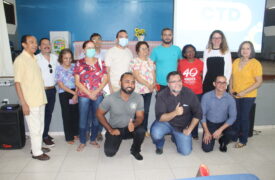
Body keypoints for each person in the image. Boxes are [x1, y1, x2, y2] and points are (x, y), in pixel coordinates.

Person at [14, 35, 50, 160]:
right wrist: (23, 103)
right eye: (31, 42)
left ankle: (37, 146)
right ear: (24, 45)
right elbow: (17, 83)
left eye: (35, 42)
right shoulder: (20, 60)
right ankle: (37, 153)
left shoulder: (34, 58)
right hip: (30, 101)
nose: (35, 44)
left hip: (40, 99)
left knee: (40, 126)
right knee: (35, 128)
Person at [150, 71, 202, 155]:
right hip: (166, 123)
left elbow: (198, 113)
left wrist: (189, 129)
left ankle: (175, 137)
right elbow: (160, 117)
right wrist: (175, 113)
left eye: (179, 80)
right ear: (168, 84)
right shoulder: (161, 95)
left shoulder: (189, 93)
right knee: (155, 132)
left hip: (182, 126)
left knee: (185, 152)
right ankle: (159, 144)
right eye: (173, 82)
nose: (177, 83)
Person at [96, 72, 145, 160]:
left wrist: (134, 124)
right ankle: (113, 138)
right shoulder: (110, 98)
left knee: (141, 130)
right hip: (116, 129)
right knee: (109, 153)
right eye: (127, 81)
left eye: (133, 82)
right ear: (120, 83)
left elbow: (140, 117)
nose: (130, 84)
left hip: (130, 128)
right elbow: (99, 114)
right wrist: (110, 129)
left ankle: (135, 150)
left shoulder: (138, 98)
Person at [74, 40, 108, 151]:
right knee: (83, 119)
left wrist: (96, 91)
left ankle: (93, 139)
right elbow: (77, 82)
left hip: (98, 95)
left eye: (92, 47)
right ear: (83, 50)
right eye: (88, 48)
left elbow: (105, 79)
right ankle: (83, 141)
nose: (91, 50)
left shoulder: (100, 62)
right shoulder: (79, 63)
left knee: (96, 119)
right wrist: (89, 93)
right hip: (83, 95)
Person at [230, 41, 263, 148]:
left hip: (248, 96)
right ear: (240, 50)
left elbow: (259, 82)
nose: (245, 50)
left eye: (248, 48)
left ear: (251, 50)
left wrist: (244, 92)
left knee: (244, 117)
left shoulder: (255, 63)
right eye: (243, 48)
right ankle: (234, 136)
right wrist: (230, 88)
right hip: (235, 95)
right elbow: (232, 77)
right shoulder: (236, 61)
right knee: (235, 116)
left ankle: (243, 140)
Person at [201, 76, 237, 153]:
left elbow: (233, 117)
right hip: (210, 124)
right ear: (214, 84)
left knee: (233, 133)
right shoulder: (206, 96)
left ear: (226, 84)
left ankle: (222, 140)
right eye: (219, 82)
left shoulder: (230, 99)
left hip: (223, 123)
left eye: (224, 82)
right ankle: (214, 136)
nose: (222, 85)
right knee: (207, 149)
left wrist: (220, 130)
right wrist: (207, 132)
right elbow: (202, 115)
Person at [129, 41, 156, 136]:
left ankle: (144, 130)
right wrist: (148, 84)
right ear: (137, 51)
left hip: (149, 91)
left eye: (147, 48)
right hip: (137, 91)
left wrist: (153, 84)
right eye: (143, 48)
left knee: (146, 111)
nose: (145, 50)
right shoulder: (134, 61)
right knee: (136, 111)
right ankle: (135, 130)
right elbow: (136, 76)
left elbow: (153, 74)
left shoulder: (150, 61)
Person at [178, 44, 203, 140]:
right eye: (188, 51)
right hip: (185, 92)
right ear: (184, 53)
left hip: (197, 92)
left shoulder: (200, 63)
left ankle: (194, 133)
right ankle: (183, 131)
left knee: (195, 113)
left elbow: (202, 76)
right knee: (185, 112)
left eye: (192, 50)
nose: (190, 53)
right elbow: (179, 75)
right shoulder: (181, 63)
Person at [37, 38, 59, 147]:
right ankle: (43, 136)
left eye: (48, 44)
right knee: (41, 115)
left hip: (52, 90)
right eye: (44, 44)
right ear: (39, 47)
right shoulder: (35, 59)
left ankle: (45, 133)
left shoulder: (55, 58)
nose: (46, 46)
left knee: (48, 114)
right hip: (41, 90)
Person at [55, 49, 79, 144]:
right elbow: (61, 85)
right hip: (64, 93)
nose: (68, 60)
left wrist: (76, 93)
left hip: (75, 91)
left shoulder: (75, 67)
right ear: (61, 58)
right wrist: (74, 94)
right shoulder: (58, 68)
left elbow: (78, 81)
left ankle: (75, 133)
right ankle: (69, 137)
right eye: (65, 58)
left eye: (69, 58)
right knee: (67, 115)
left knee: (75, 114)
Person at [90, 33, 106, 141]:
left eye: (98, 39)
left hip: (103, 88)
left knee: (100, 111)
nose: (97, 42)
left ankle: (99, 132)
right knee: (89, 112)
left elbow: (108, 71)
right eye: (94, 40)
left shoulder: (106, 54)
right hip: (89, 89)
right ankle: (89, 131)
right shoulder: (86, 54)